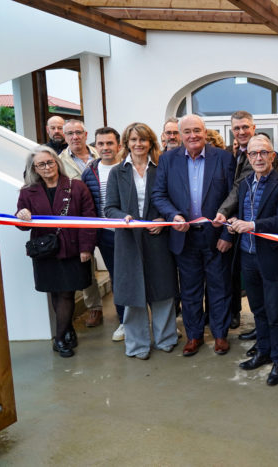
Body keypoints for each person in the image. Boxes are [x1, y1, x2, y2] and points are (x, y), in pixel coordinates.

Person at [151, 114, 236, 357]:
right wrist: (173, 215)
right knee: (190, 291)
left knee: (219, 288)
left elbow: (234, 196)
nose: (192, 135)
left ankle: (220, 335)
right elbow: (159, 194)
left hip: (216, 236)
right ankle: (194, 335)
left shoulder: (223, 158)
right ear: (180, 135)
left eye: (197, 130)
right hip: (184, 237)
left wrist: (227, 235)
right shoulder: (168, 160)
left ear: (205, 132)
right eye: (187, 131)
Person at [225, 135, 278, 386]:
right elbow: (241, 214)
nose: (258, 157)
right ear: (248, 157)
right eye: (254, 153)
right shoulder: (245, 183)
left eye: (263, 152)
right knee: (258, 310)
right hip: (248, 256)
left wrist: (252, 225)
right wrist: (234, 224)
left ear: (272, 156)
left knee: (275, 313)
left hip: (272, 257)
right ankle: (264, 351)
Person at [104, 123, 179, 360]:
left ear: (150, 143)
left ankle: (166, 338)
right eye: (134, 139)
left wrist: (164, 219)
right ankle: (137, 345)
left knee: (163, 290)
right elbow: (109, 208)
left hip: (158, 239)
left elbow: (173, 201)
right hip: (128, 241)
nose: (138, 144)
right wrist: (122, 217)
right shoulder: (117, 172)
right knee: (132, 293)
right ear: (126, 143)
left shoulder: (161, 169)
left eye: (143, 140)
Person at [15, 146, 96, 357]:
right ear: (34, 168)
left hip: (72, 249)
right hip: (45, 251)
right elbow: (22, 225)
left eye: (50, 162)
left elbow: (89, 218)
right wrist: (21, 215)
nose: (47, 167)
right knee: (55, 292)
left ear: (57, 163)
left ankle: (59, 339)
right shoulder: (27, 191)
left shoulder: (76, 187)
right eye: (41, 164)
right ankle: (67, 330)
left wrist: (86, 247)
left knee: (67, 292)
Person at [58, 119, 104, 328]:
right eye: (70, 133)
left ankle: (123, 308)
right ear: (65, 137)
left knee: (117, 262)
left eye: (78, 132)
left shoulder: (100, 152)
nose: (75, 137)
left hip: (106, 215)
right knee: (86, 263)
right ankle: (94, 307)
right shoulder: (59, 161)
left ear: (86, 134)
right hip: (81, 219)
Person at [81, 127, 126, 341]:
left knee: (141, 275)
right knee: (117, 277)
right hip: (107, 235)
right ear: (95, 146)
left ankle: (151, 321)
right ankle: (124, 321)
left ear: (119, 145)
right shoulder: (89, 172)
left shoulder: (129, 166)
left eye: (110, 143)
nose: (105, 147)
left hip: (132, 232)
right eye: (101, 144)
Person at [218, 110, 258, 333]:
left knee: (253, 280)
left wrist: (222, 213)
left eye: (245, 127)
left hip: (251, 226)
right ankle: (237, 314)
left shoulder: (257, 153)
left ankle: (259, 327)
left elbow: (238, 188)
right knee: (234, 274)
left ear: (253, 128)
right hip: (234, 224)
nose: (241, 131)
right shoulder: (232, 154)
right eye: (237, 128)